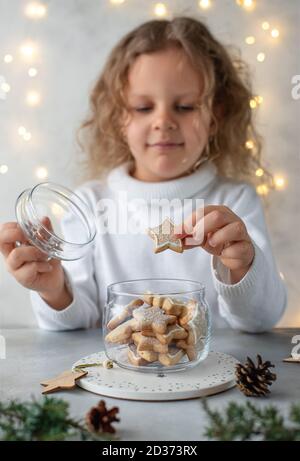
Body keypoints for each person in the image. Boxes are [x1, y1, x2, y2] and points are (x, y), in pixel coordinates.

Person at [0, 17, 286, 332]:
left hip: (213, 376)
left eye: (186, 106)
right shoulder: (91, 204)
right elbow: (78, 321)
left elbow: (262, 320)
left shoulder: (234, 203)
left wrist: (243, 268)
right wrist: (53, 288)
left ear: (215, 115)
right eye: (143, 108)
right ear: (119, 117)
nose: (163, 121)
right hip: (118, 375)